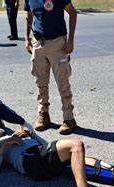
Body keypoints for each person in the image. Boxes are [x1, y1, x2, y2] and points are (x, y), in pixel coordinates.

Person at [24, 0, 78, 135]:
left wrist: (70, 40)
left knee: (62, 83)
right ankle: (44, 114)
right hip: (38, 42)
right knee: (40, 82)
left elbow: (73, 13)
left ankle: (68, 119)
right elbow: (29, 16)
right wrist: (27, 38)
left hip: (58, 43)